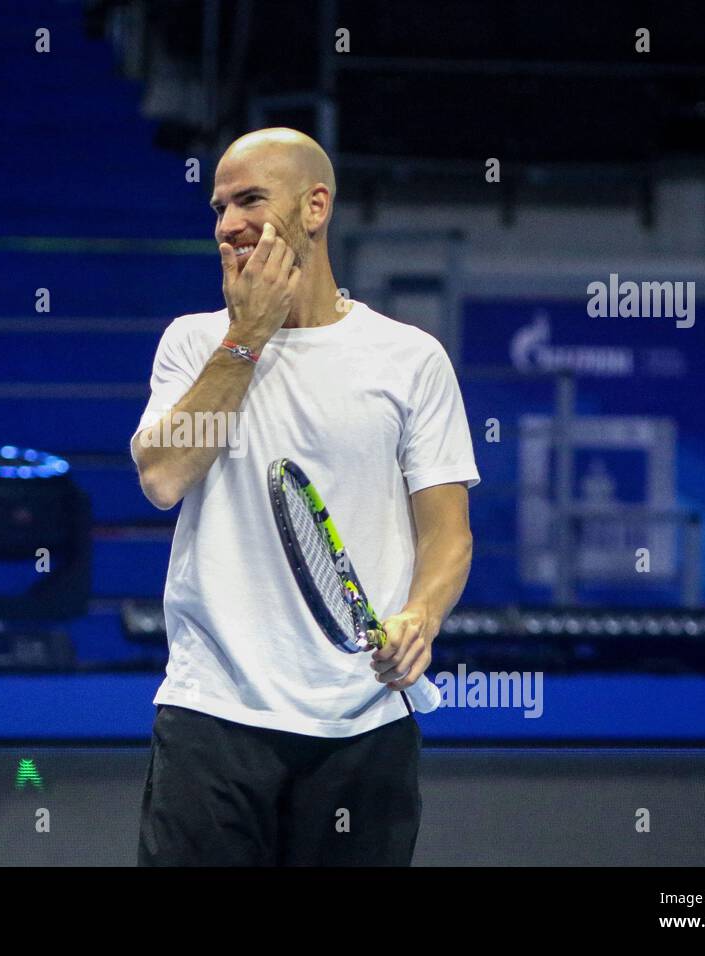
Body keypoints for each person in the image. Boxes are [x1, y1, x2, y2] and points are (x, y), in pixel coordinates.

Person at [131, 128, 479, 865]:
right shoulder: (193, 344)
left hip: (364, 726)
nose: (228, 224)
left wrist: (421, 612)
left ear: (315, 206)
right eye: (219, 207)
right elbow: (162, 477)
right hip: (211, 716)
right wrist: (248, 334)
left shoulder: (410, 359)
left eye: (250, 200)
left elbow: (447, 534)